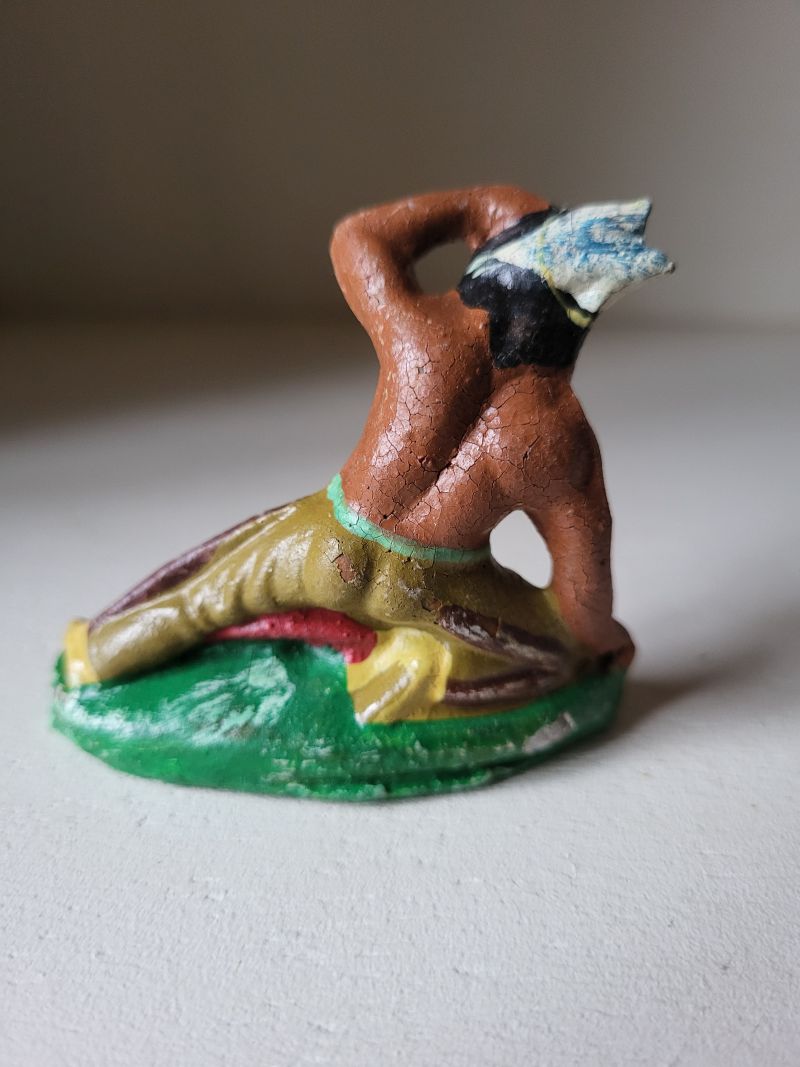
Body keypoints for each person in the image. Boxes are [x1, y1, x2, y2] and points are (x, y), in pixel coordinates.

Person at [63, 186, 673, 723]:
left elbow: (359, 237)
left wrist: (472, 204)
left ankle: (96, 657)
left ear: (491, 266)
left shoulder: (420, 331)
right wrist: (601, 641)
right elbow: (584, 589)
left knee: (201, 597)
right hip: (433, 591)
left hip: (326, 541)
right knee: (556, 650)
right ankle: (422, 673)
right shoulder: (560, 433)